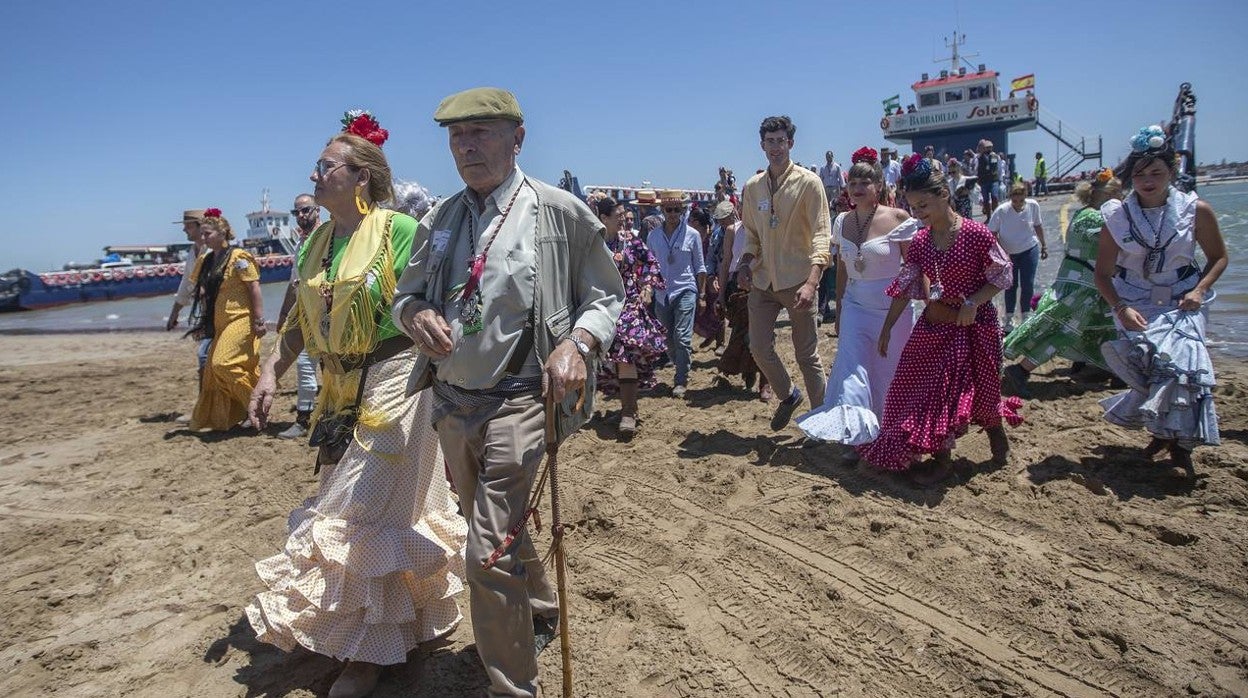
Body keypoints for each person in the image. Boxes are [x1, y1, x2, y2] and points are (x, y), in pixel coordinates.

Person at [393, 87, 623, 698]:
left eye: (481, 133)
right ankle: (540, 606)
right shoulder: (440, 219)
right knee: (492, 524)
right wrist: (414, 314)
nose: (465, 147)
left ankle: (513, 687)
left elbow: (606, 296)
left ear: (517, 139)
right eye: (456, 136)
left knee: (486, 553)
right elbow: (405, 295)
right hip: (452, 403)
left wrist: (577, 344)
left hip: (522, 401)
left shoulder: (559, 211)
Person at [245, 112, 466, 698]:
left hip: (397, 378)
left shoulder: (399, 231)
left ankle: (365, 659)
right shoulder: (315, 244)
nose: (314, 175)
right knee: (383, 513)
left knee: (359, 509)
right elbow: (298, 323)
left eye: (325, 165)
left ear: (361, 176)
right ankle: (385, 629)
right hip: (338, 391)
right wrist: (269, 373)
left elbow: (437, 299)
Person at [858, 154, 1021, 484]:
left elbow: (1002, 274)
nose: (918, 213)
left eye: (923, 205)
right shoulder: (921, 240)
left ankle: (996, 438)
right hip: (936, 324)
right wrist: (888, 327)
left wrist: (973, 302)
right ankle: (942, 460)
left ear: (944, 194)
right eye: (913, 207)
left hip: (974, 326)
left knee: (984, 390)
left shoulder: (976, 234)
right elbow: (905, 286)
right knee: (920, 385)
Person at [1092, 125, 1229, 473]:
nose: (1147, 181)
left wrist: (1199, 290)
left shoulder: (1196, 210)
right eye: (1140, 174)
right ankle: (1161, 434)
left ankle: (1181, 447)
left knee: (1183, 370)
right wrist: (1120, 308)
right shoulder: (1116, 217)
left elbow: (1218, 257)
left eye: (1156, 172)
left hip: (1184, 300)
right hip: (1133, 302)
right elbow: (1102, 274)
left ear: (1172, 171)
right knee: (1150, 370)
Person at [796, 147, 917, 447]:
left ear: (879, 186)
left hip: (893, 309)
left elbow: (914, 268)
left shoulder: (898, 218)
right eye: (853, 183)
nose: (858, 188)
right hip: (855, 307)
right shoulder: (841, 221)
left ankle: (887, 432)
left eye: (865, 183)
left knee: (887, 372)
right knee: (852, 371)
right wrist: (839, 311)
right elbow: (841, 271)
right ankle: (856, 438)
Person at [738, 115, 830, 430]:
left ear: (790, 143)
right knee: (758, 347)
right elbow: (751, 234)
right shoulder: (753, 187)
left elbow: (822, 235)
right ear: (762, 145)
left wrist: (812, 282)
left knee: (807, 355)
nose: (775, 147)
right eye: (770, 141)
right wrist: (744, 262)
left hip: (799, 280)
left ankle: (822, 421)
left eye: (781, 141)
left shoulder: (809, 183)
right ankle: (789, 395)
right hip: (763, 280)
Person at [1003, 169, 1122, 398]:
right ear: (1108, 194)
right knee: (1063, 330)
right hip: (1083, 284)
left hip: (1080, 279)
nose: (1121, 198)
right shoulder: (1096, 219)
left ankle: (1098, 365)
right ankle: (1021, 370)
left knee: (1101, 325)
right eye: (1117, 193)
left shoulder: (1083, 214)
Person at [184, 209, 265, 431]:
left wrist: (259, 320)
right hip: (220, 322)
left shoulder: (239, 257)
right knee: (214, 372)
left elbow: (254, 287)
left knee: (222, 364)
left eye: (208, 233)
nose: (204, 238)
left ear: (222, 233)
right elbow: (200, 290)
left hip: (241, 319)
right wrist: (203, 323)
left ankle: (256, 405)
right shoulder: (207, 260)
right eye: (202, 234)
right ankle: (246, 411)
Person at [593, 196, 666, 436]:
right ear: (604, 218)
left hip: (629, 306)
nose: (623, 219)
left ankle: (628, 412)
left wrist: (648, 286)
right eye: (618, 215)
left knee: (625, 355)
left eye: (624, 215)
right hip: (601, 307)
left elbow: (651, 263)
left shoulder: (630, 241)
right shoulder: (592, 243)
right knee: (600, 359)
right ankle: (621, 405)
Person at [648, 189, 706, 398]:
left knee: (682, 337)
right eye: (669, 209)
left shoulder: (693, 235)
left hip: (685, 289)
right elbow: (650, 265)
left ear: (682, 211)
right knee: (668, 338)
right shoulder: (653, 236)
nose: (673, 214)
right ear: (662, 210)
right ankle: (680, 363)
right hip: (662, 293)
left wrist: (701, 295)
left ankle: (681, 379)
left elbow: (700, 266)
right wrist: (648, 287)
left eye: (677, 210)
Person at [273, 194, 322, 439]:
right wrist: (284, 314)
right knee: (305, 365)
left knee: (334, 370)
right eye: (297, 212)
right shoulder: (300, 243)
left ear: (317, 210)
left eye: (305, 210)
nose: (301, 216)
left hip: (328, 314)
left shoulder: (327, 237)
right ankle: (304, 419)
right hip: (307, 315)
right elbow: (295, 283)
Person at [714, 200, 770, 398]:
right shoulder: (732, 230)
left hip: (762, 285)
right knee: (743, 334)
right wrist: (720, 294)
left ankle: (765, 381)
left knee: (762, 335)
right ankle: (749, 370)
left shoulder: (768, 226)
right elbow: (726, 262)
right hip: (737, 288)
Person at [988, 182, 1048, 332]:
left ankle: (1026, 315)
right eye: (1014, 200)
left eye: (1021, 200)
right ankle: (1009, 317)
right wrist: (1001, 252)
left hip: (1029, 248)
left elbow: (1037, 225)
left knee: (1028, 283)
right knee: (1011, 285)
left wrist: (1044, 245)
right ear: (1010, 198)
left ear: (1025, 197)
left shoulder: (1033, 206)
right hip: (1009, 254)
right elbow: (992, 233)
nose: (1018, 204)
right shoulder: (1002, 211)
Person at [689, 206, 724, 352]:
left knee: (717, 309)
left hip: (712, 278)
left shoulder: (711, 238)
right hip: (697, 279)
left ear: (696, 222)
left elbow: (716, 258)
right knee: (698, 312)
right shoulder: (690, 238)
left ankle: (720, 343)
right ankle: (710, 334)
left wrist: (713, 276)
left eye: (690, 220)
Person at [976, 140, 1001, 218]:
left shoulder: (995, 156)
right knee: (985, 199)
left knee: (994, 196)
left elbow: (998, 168)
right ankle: (989, 217)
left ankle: (996, 215)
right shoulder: (979, 157)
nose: (989, 148)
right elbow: (977, 168)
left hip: (993, 180)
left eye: (990, 147)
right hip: (984, 181)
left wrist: (1000, 179)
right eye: (987, 147)